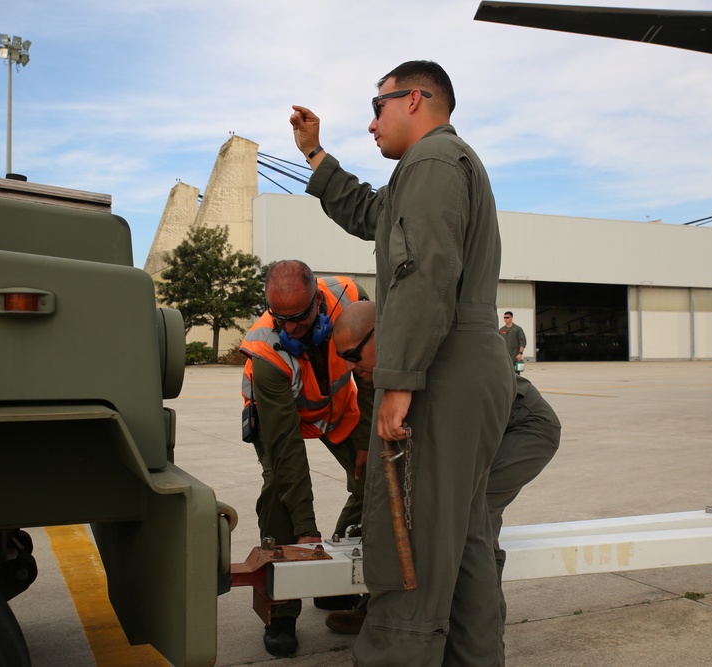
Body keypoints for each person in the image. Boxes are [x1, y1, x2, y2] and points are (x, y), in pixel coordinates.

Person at [291, 60, 514, 666]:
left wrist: (397, 381)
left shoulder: (435, 163)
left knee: (409, 538)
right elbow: (370, 214)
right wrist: (315, 156)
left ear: (415, 99)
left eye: (377, 105)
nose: (370, 122)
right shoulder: (425, 171)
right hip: (459, 365)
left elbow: (425, 276)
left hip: (443, 368)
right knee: (460, 542)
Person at [326, 301, 561, 655]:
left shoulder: (426, 356)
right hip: (484, 434)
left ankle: (478, 633)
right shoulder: (384, 371)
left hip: (524, 431)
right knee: (438, 514)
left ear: (382, 335)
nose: (349, 366)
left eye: (354, 355)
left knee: (470, 515)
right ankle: (384, 614)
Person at [239, 259, 371, 656]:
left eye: (298, 318)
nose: (289, 329)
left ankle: (338, 582)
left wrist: (367, 442)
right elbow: (288, 454)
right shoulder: (265, 351)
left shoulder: (350, 298)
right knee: (281, 492)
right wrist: (305, 532)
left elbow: (373, 368)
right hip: (279, 418)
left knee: (381, 473)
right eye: (280, 319)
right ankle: (282, 608)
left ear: (318, 301)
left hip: (336, 406)